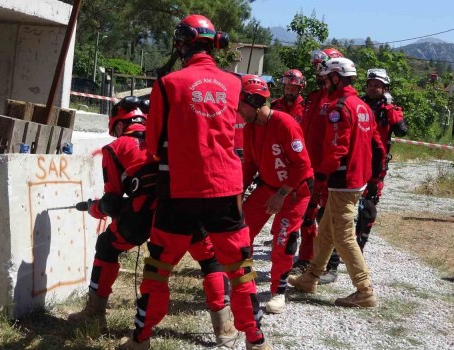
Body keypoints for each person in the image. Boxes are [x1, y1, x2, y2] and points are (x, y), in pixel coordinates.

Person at [119, 14, 271, 350]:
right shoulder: (236, 83)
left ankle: (141, 340)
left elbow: (155, 141)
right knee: (240, 270)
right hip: (226, 190)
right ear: (215, 44)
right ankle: (256, 341)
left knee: (158, 269)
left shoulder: (168, 84)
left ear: (184, 43)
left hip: (179, 188)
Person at [69, 97, 236, 345]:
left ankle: (95, 313)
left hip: (143, 214)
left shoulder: (114, 149)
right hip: (186, 208)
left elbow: (112, 202)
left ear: (117, 123)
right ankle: (224, 328)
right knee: (210, 261)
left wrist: (96, 208)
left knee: (107, 246)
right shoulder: (168, 137)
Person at [288, 57, 386, 308]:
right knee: (327, 232)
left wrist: (319, 176)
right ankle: (311, 277)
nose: (323, 82)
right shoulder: (362, 105)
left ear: (335, 78)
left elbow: (336, 148)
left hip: (342, 178)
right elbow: (376, 145)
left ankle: (364, 289)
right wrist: (374, 178)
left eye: (326, 78)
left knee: (343, 236)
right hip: (357, 178)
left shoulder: (338, 107)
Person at [240, 75, 313, 314]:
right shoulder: (250, 128)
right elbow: (250, 164)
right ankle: (244, 282)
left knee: (283, 241)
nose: (237, 110)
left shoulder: (284, 123)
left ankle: (278, 292)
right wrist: (237, 192)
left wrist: (281, 194)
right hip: (268, 188)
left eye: (241, 104)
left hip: (294, 192)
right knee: (241, 231)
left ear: (253, 101)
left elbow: (302, 166)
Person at [291, 48, 344, 279]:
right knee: (307, 214)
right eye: (316, 68)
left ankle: (331, 264)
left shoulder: (340, 100)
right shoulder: (315, 97)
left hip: (329, 170)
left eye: (321, 67)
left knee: (329, 217)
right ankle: (305, 258)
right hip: (309, 166)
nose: (318, 72)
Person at [358, 68, 408, 250]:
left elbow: (402, 130)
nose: (372, 88)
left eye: (377, 85)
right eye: (370, 85)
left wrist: (391, 109)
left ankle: (360, 243)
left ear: (385, 88)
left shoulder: (388, 109)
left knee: (369, 205)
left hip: (375, 164)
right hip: (354, 161)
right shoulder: (357, 103)